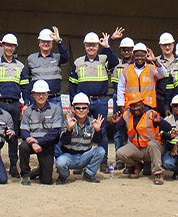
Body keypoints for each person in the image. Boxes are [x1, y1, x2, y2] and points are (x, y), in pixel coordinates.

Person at [68, 29, 122, 169]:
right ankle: (81, 162)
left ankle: (102, 162)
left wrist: (108, 45)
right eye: (88, 45)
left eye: (94, 45)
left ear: (98, 46)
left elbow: (115, 62)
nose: (91, 48)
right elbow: (72, 84)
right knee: (80, 131)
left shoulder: (104, 59)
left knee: (101, 131)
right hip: (82, 104)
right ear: (84, 46)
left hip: (100, 102)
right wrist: (73, 103)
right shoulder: (78, 62)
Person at [0, 33, 25, 177]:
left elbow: (24, 86)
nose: (9, 48)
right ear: (2, 46)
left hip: (14, 104)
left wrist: (25, 104)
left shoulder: (20, 66)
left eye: (12, 46)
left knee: (12, 137)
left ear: (15, 47)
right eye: (7, 45)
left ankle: (13, 164)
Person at [110, 97, 169, 184]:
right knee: (120, 153)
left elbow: (168, 128)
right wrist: (114, 123)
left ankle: (158, 173)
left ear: (143, 105)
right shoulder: (127, 115)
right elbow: (117, 129)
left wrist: (160, 122)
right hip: (138, 148)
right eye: (133, 106)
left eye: (138, 105)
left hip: (154, 148)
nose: (136, 108)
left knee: (152, 144)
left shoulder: (151, 114)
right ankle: (137, 165)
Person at [20, 80, 64, 185]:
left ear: (48, 94)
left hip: (47, 144)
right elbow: (24, 130)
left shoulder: (55, 109)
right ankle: (25, 175)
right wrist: (33, 143)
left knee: (46, 181)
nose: (41, 96)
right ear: (33, 95)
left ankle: (39, 170)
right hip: (32, 144)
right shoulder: (28, 111)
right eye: (38, 94)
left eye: (43, 94)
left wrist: (39, 142)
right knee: (23, 147)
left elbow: (55, 132)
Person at [56, 93, 106, 184]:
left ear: (88, 109)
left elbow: (97, 141)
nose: (81, 110)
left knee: (101, 151)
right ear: (73, 109)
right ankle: (63, 176)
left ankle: (89, 173)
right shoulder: (67, 122)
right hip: (69, 156)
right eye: (78, 108)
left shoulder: (93, 122)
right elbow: (63, 142)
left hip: (85, 156)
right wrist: (69, 129)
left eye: (84, 108)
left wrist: (98, 130)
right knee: (60, 162)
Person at [23, 27, 70, 110]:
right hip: (36, 100)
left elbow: (66, 57)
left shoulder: (58, 57)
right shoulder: (31, 58)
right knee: (35, 123)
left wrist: (59, 41)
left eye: (48, 42)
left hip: (54, 99)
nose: (46, 44)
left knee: (57, 123)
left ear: (52, 43)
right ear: (39, 43)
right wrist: (27, 101)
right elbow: (25, 80)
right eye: (43, 42)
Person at [116, 43, 167, 112]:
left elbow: (163, 74)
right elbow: (120, 90)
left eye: (142, 56)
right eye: (137, 56)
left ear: (146, 55)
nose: (139, 58)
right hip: (131, 107)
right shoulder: (126, 70)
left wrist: (155, 60)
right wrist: (121, 107)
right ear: (133, 55)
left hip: (148, 106)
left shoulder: (152, 68)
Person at [110, 36, 136, 168]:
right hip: (119, 99)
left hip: (133, 99)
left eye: (129, 49)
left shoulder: (137, 65)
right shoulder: (117, 65)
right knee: (118, 128)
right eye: (124, 50)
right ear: (120, 50)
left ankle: (130, 159)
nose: (126, 52)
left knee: (131, 129)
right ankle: (120, 158)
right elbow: (106, 52)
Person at [156, 32, 177, 112]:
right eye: (165, 45)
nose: (167, 47)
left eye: (169, 44)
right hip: (160, 99)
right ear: (160, 46)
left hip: (176, 98)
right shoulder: (155, 61)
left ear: (173, 44)